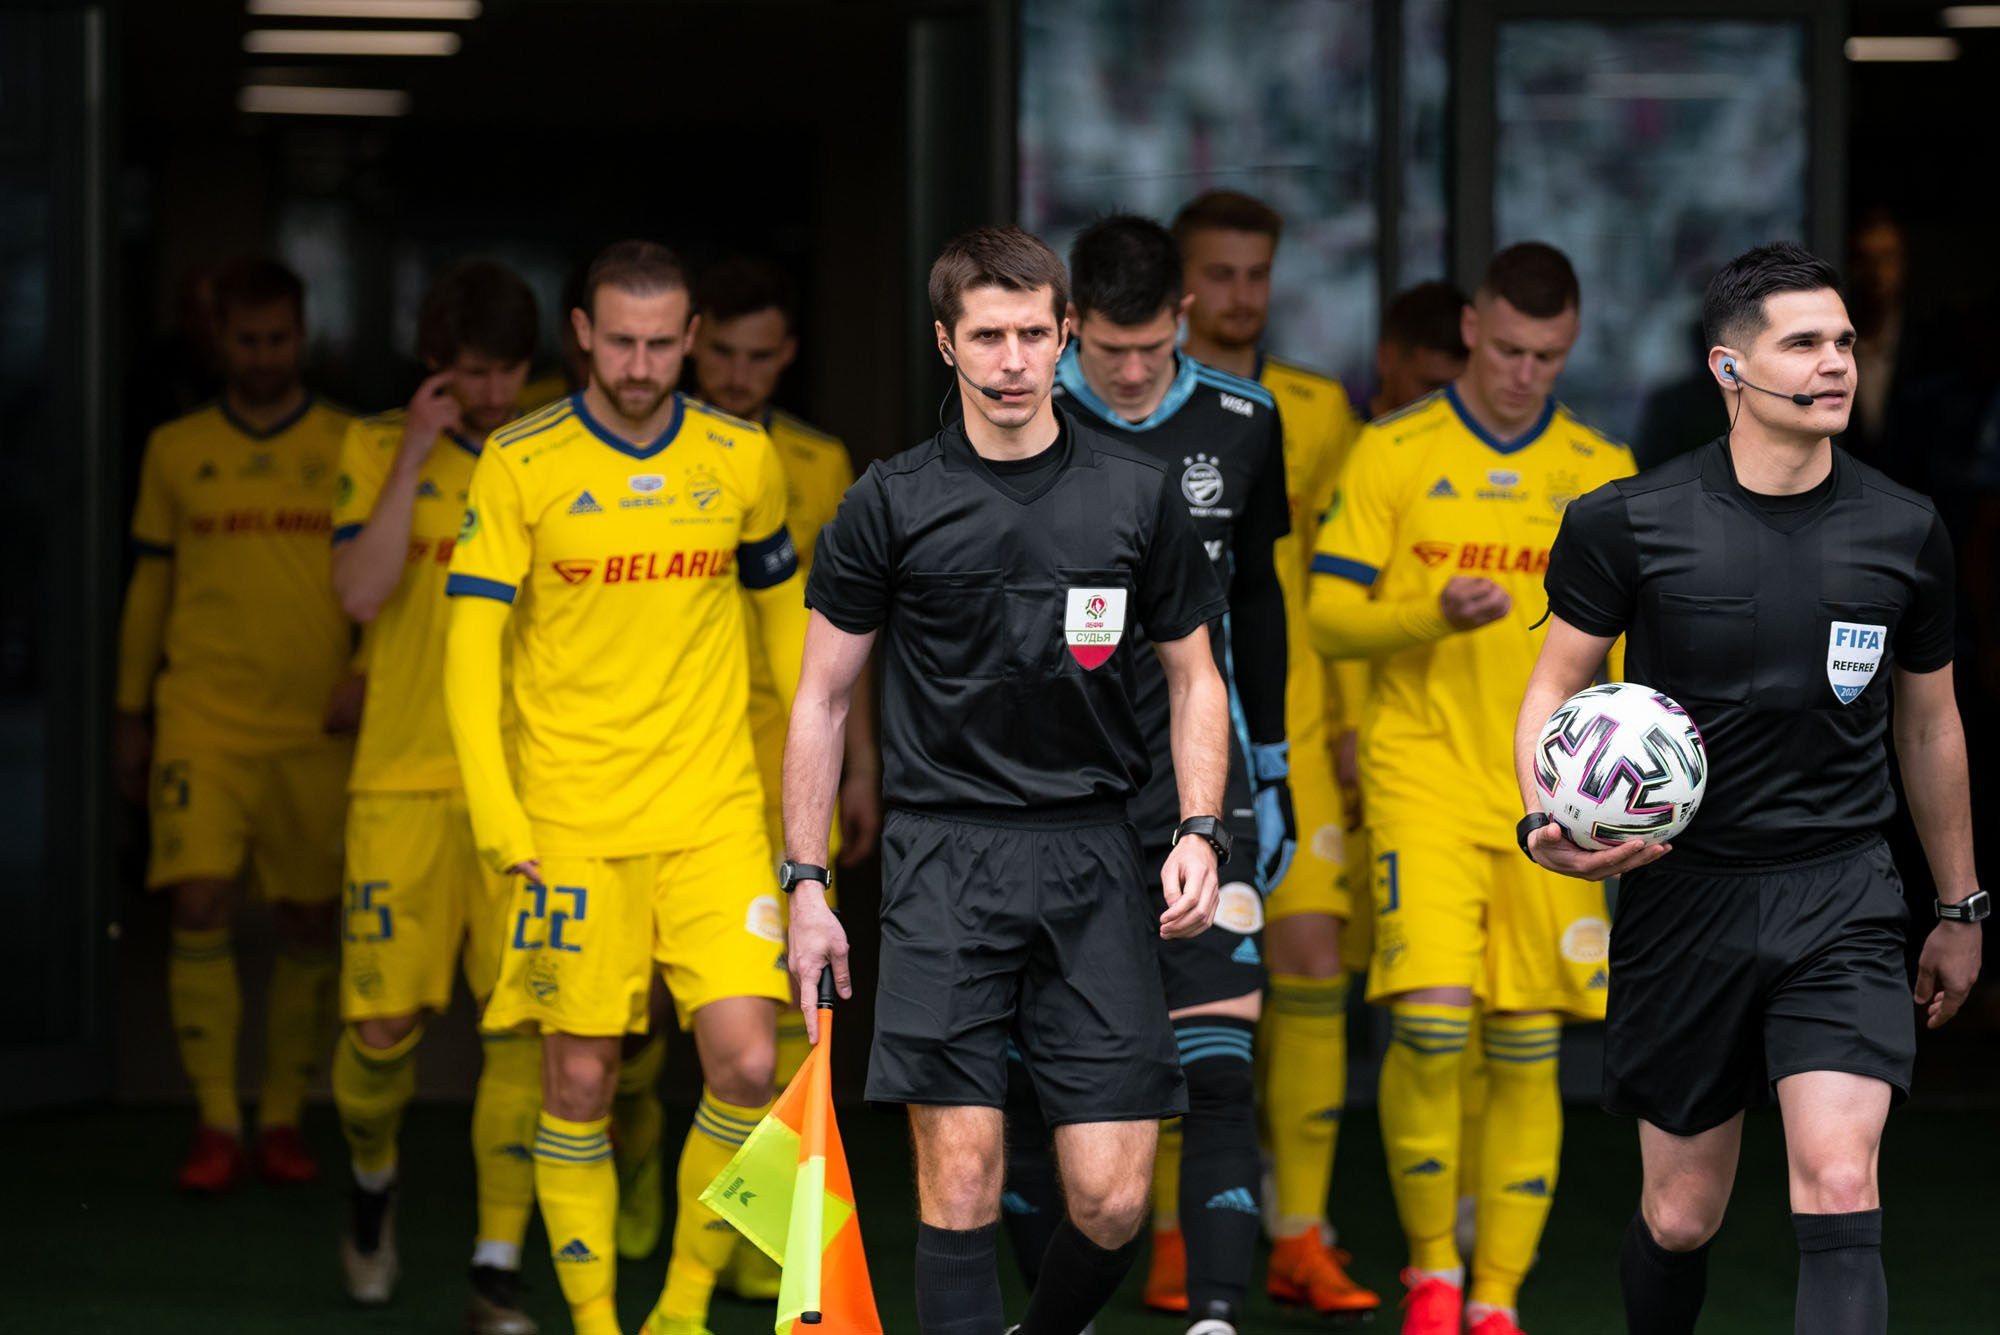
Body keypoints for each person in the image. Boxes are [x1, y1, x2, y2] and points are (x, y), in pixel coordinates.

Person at [1517, 241, 1985, 1335]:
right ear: (1729, 369)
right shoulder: (1621, 521)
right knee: (1680, 1216)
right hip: (1685, 896)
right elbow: (1553, 688)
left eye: (1842, 343)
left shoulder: (1902, 528)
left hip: (1840, 894)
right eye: (1802, 343)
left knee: (1835, 1180)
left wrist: (1957, 903)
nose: (1833, 364)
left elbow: (1927, 725)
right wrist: (1547, 821)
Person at [783, 224, 1231, 1335]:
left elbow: (1193, 678)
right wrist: (803, 885)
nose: (1013, 359)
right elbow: (819, 700)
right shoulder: (887, 502)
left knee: (1114, 1200)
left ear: (1066, 336)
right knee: (964, 1182)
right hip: (942, 856)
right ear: (946, 344)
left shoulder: (1137, 495)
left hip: (1096, 854)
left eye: (1034, 333)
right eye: (987, 336)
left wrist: (1199, 827)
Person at [443, 239, 805, 1335]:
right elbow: (467, 656)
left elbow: (787, 635)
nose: (642, 365)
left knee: (747, 1066)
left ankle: (683, 1308)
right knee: (581, 1087)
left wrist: (812, 803)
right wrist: (503, 823)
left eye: (662, 343)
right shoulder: (520, 461)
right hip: (570, 825)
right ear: (582, 336)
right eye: (622, 342)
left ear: (689, 339)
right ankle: (599, 1322)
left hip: (712, 814)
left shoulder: (742, 459)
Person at [1309, 242, 1636, 1335]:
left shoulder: (1600, 468)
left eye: (1543, 356)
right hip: (1421, 776)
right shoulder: (1392, 448)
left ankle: (1495, 1297)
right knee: (1436, 1027)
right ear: (1467, 331)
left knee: (1531, 1042)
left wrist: (1618, 796)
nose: (1519, 373)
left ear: (1568, 346)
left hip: (1550, 796)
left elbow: (1627, 661)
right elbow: (1324, 614)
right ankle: (1431, 1273)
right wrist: (1423, 616)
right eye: (1503, 349)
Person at [1008, 212, 1291, 1335]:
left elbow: (1256, 596)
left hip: (1196, 783)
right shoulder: (1018, 412)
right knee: (1038, 1080)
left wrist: (1263, 769)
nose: (1127, 373)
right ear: (1073, 327)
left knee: (1218, 1062)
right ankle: (1057, 1319)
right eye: (1106, 349)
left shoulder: (1243, 420)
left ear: (1183, 316)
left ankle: (1215, 1317)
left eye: (1149, 346)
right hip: (1049, 800)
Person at [1172, 187, 1378, 1318]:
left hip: (1280, 721)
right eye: (1220, 274)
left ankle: (1297, 1230)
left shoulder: (1306, 408)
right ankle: (1167, 1232)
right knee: (1164, 973)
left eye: (1257, 274)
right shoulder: (1136, 397)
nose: (1240, 297)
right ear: (1180, 284)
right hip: (1156, 734)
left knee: (1300, 964)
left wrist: (1334, 722)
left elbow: (1316, 585)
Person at [327, 260, 544, 1332]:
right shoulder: (372, 446)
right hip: (400, 782)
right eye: (473, 374)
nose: (496, 395)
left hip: (523, 789)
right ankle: (371, 1184)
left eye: (509, 372)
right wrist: (416, 450)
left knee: (520, 1030)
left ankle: (494, 1266)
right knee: (379, 1032)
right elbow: (360, 593)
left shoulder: (554, 449)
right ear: (432, 369)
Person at [115, 257, 358, 1193]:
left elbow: (384, 581)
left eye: (279, 339)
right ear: (221, 340)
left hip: (313, 726)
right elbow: (150, 587)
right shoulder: (176, 450)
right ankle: (217, 1118)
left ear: (305, 337)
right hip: (203, 718)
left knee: (307, 916)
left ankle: (285, 1119)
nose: (263, 357)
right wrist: (130, 712)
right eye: (247, 340)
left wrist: (368, 674)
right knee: (200, 900)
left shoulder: (347, 443)